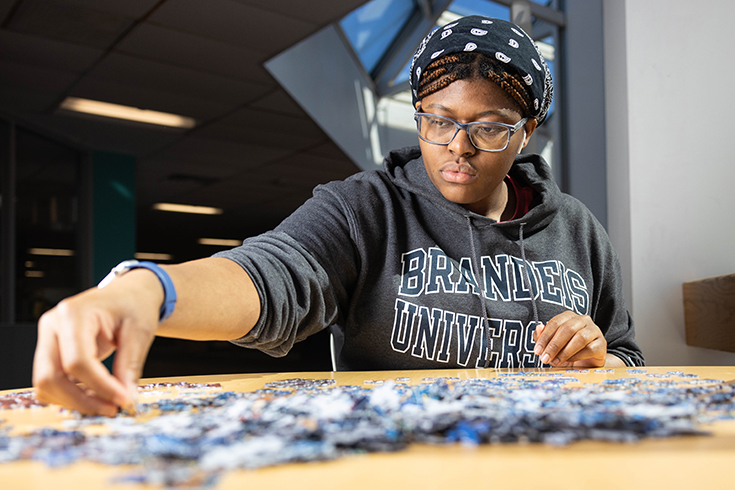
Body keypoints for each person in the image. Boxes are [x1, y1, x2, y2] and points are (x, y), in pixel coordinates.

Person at [32, 15, 644, 416]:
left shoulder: (577, 228)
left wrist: (602, 362)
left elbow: (628, 357)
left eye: (487, 128)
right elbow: (272, 273)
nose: (457, 147)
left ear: (528, 130)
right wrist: (149, 290)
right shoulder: (364, 207)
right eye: (437, 119)